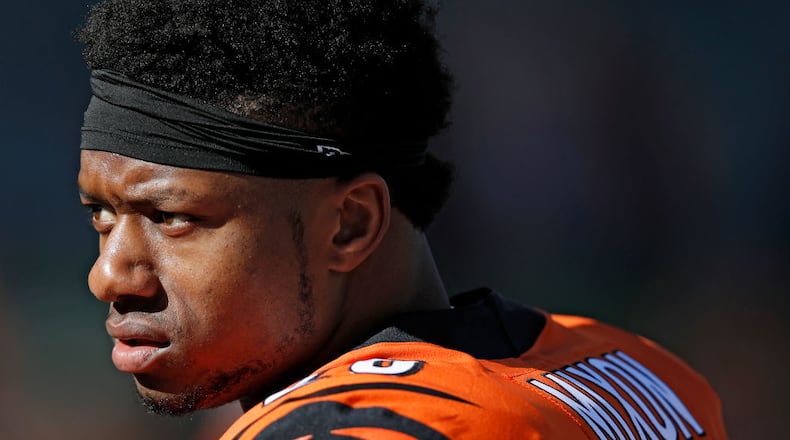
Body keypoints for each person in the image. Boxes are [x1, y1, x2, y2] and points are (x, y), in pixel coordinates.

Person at [76, 0, 728, 438]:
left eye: (170, 217)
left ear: (350, 225)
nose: (109, 276)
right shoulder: (641, 370)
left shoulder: (360, 426)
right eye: (101, 215)